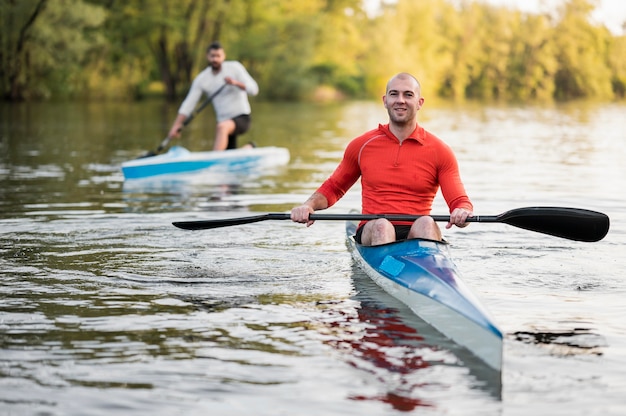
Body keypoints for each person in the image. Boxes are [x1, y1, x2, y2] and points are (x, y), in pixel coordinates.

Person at [290, 72, 473, 245]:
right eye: (394, 94)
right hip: (373, 229)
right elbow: (334, 187)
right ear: (385, 101)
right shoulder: (361, 145)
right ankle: (391, 268)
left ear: (419, 102)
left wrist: (462, 213)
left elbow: (459, 201)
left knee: (426, 222)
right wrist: (308, 206)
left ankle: (426, 272)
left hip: (416, 232)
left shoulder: (440, 151)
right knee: (382, 225)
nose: (400, 100)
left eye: (408, 95)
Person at [168, 41, 259, 151]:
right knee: (229, 152)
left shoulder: (235, 68)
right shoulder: (202, 79)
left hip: (241, 118)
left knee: (222, 127)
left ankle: (213, 163)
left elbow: (254, 90)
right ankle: (249, 148)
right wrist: (176, 125)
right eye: (212, 56)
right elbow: (188, 104)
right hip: (223, 119)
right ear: (207, 57)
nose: (215, 59)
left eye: (218, 56)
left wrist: (236, 83)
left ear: (224, 56)